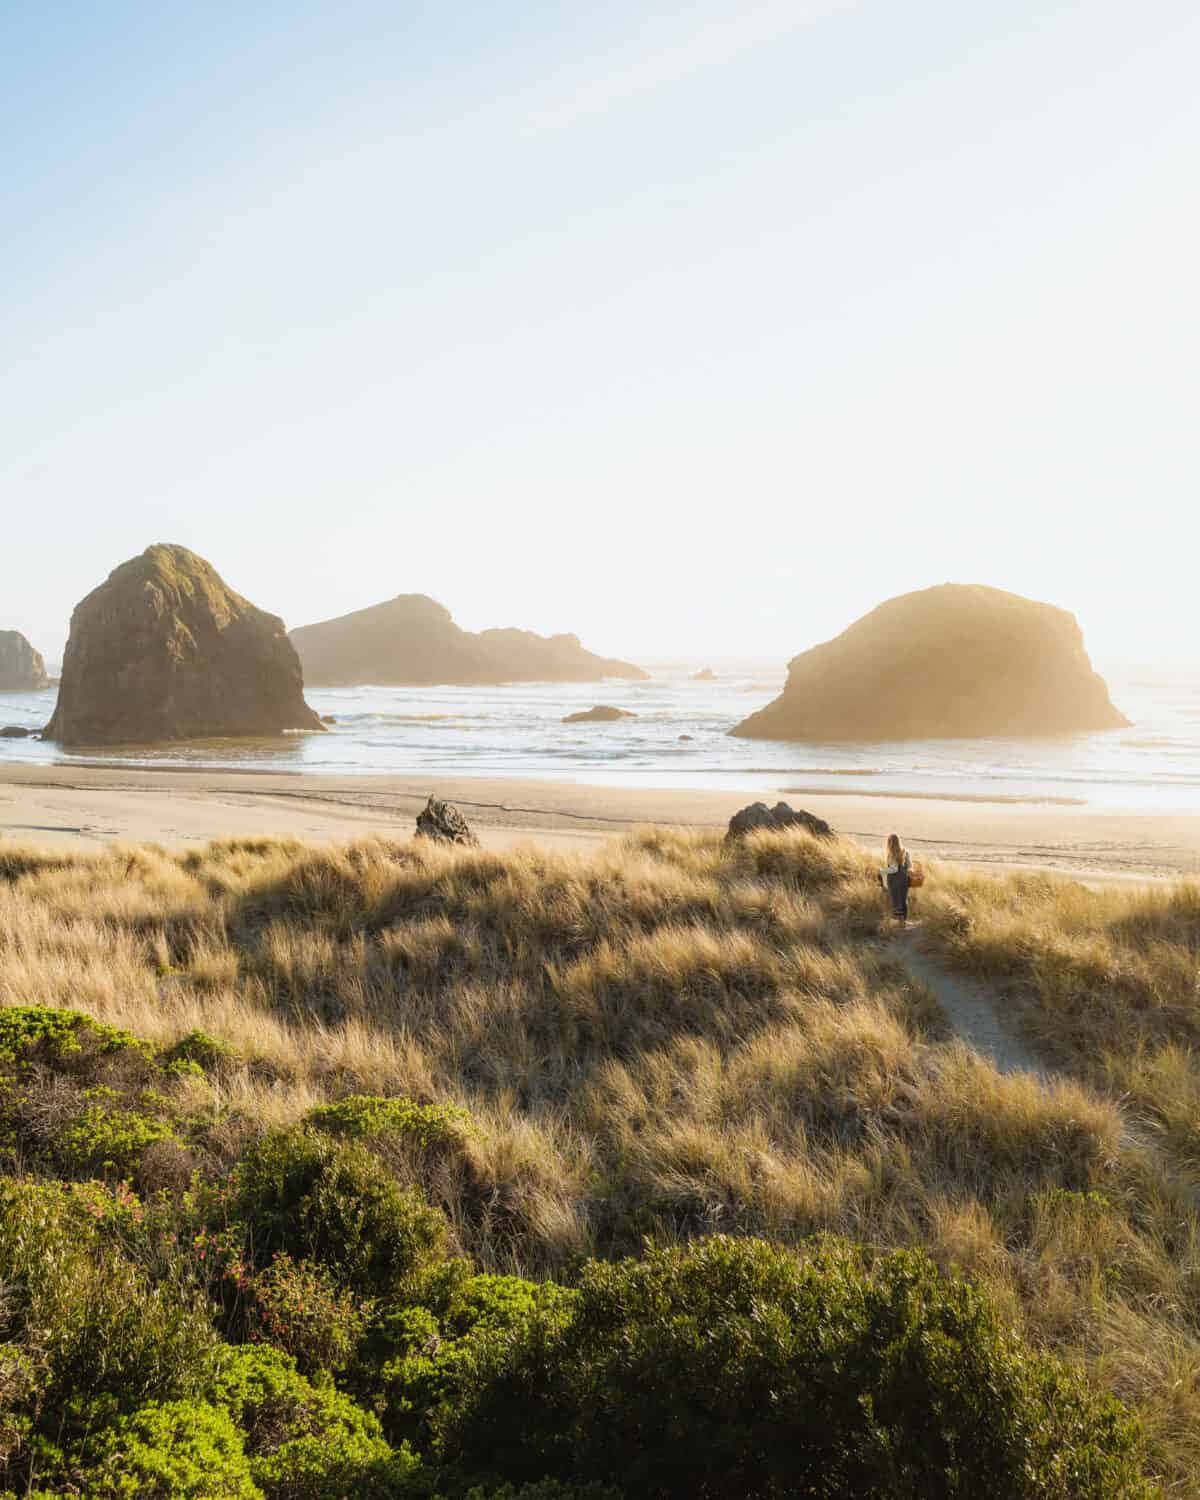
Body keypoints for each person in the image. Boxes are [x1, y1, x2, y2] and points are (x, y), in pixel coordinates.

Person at [881, 832, 911, 926]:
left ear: (890, 843)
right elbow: (910, 866)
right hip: (905, 879)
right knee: (903, 899)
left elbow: (894, 869)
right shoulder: (905, 852)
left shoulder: (892, 854)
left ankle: (900, 923)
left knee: (896, 900)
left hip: (894, 880)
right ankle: (904, 921)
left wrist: (882, 871)